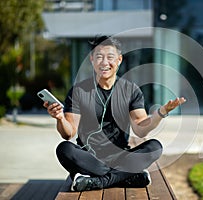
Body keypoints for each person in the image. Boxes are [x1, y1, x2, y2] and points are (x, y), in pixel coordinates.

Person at [44, 35, 186, 192]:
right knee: (64, 149)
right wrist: (60, 118)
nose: (104, 62)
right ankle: (126, 176)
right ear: (91, 59)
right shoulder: (79, 91)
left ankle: (98, 181)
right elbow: (68, 133)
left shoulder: (131, 90)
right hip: (90, 158)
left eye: (110, 57)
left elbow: (140, 129)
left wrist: (161, 113)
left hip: (121, 156)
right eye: (99, 57)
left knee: (155, 147)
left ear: (119, 60)